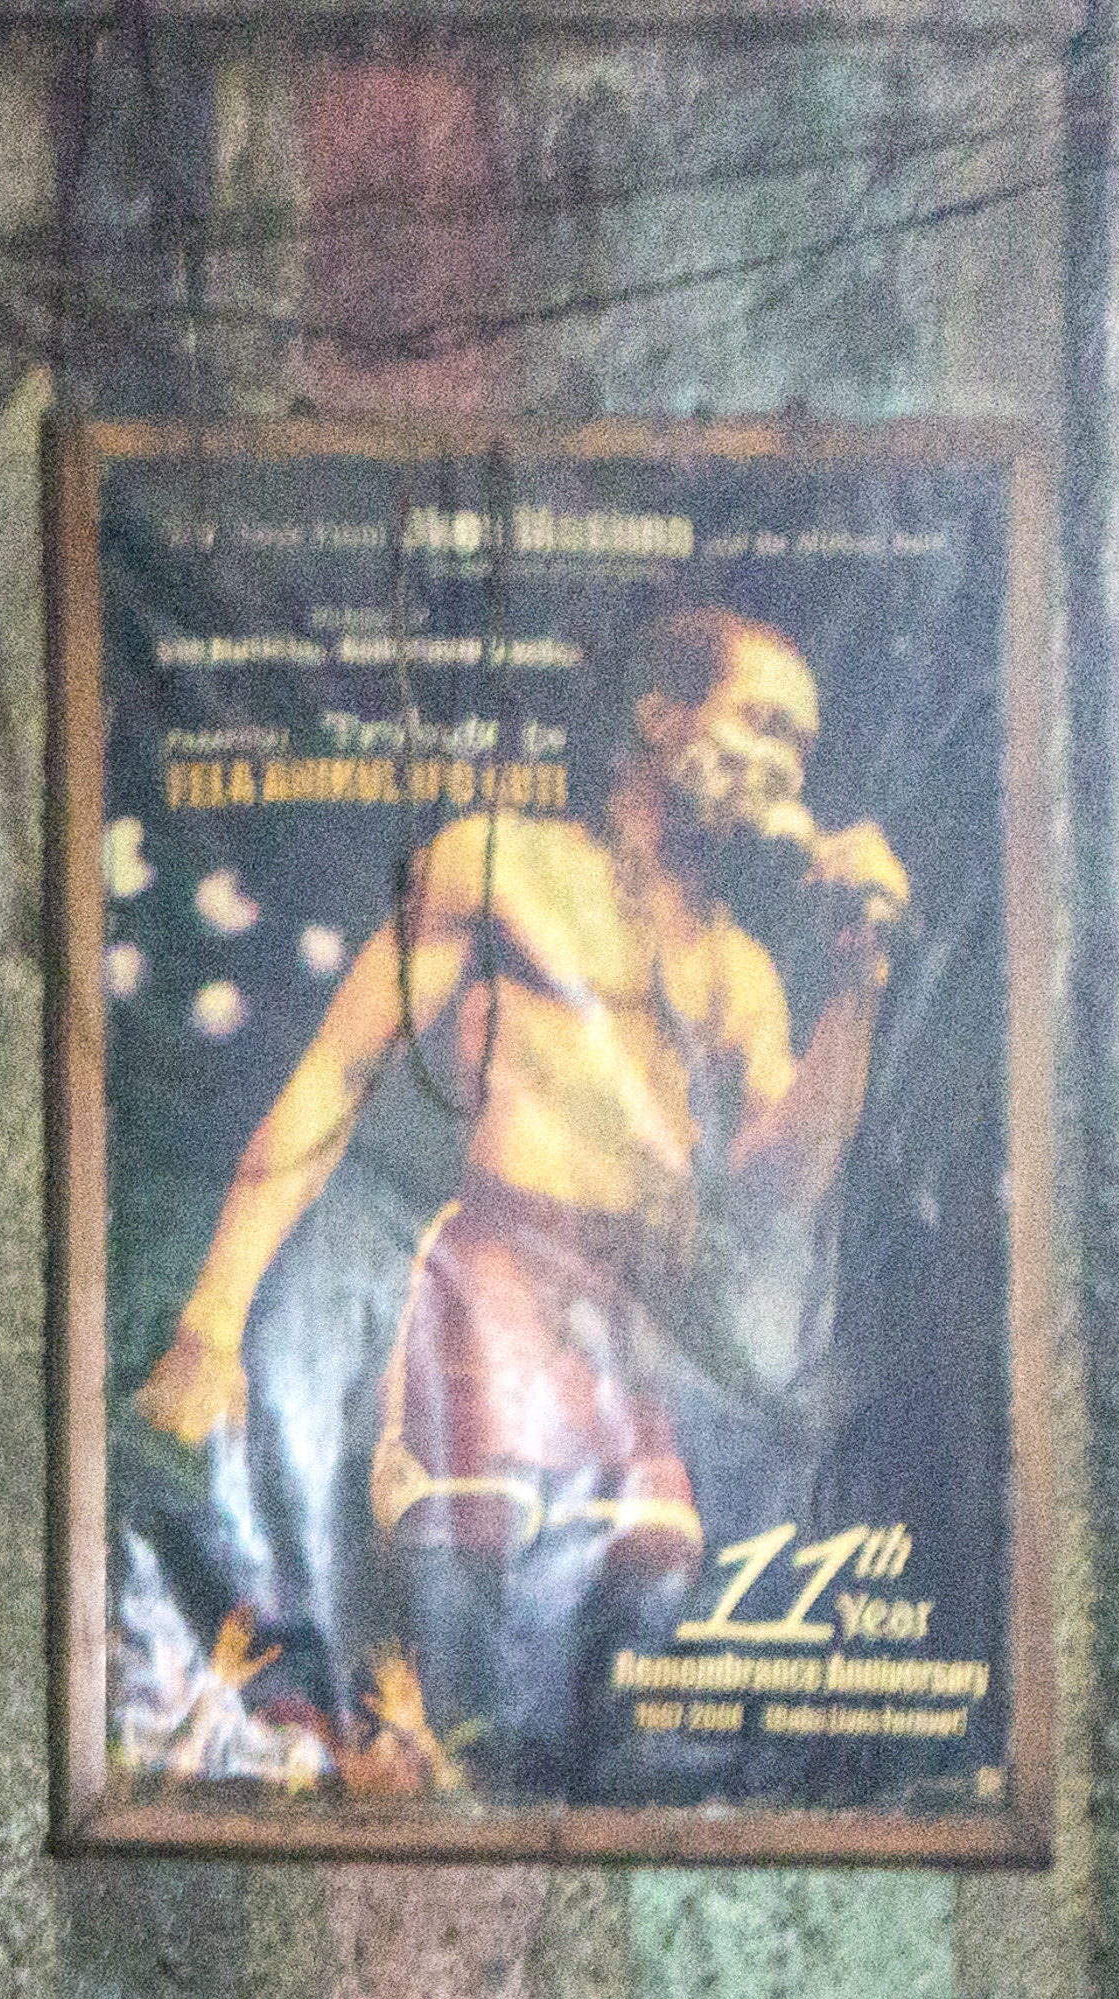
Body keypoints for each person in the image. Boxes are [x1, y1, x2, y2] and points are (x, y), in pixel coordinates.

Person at [130, 604, 912, 1799]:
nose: (784, 766)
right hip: (491, 1293)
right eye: (761, 721)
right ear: (661, 717)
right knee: (472, 1643)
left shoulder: (743, 973)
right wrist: (211, 1321)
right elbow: (337, 1074)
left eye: (802, 745)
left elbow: (779, 1193)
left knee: (644, 1635)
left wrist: (858, 985)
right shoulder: (503, 865)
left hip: (628, 1336)